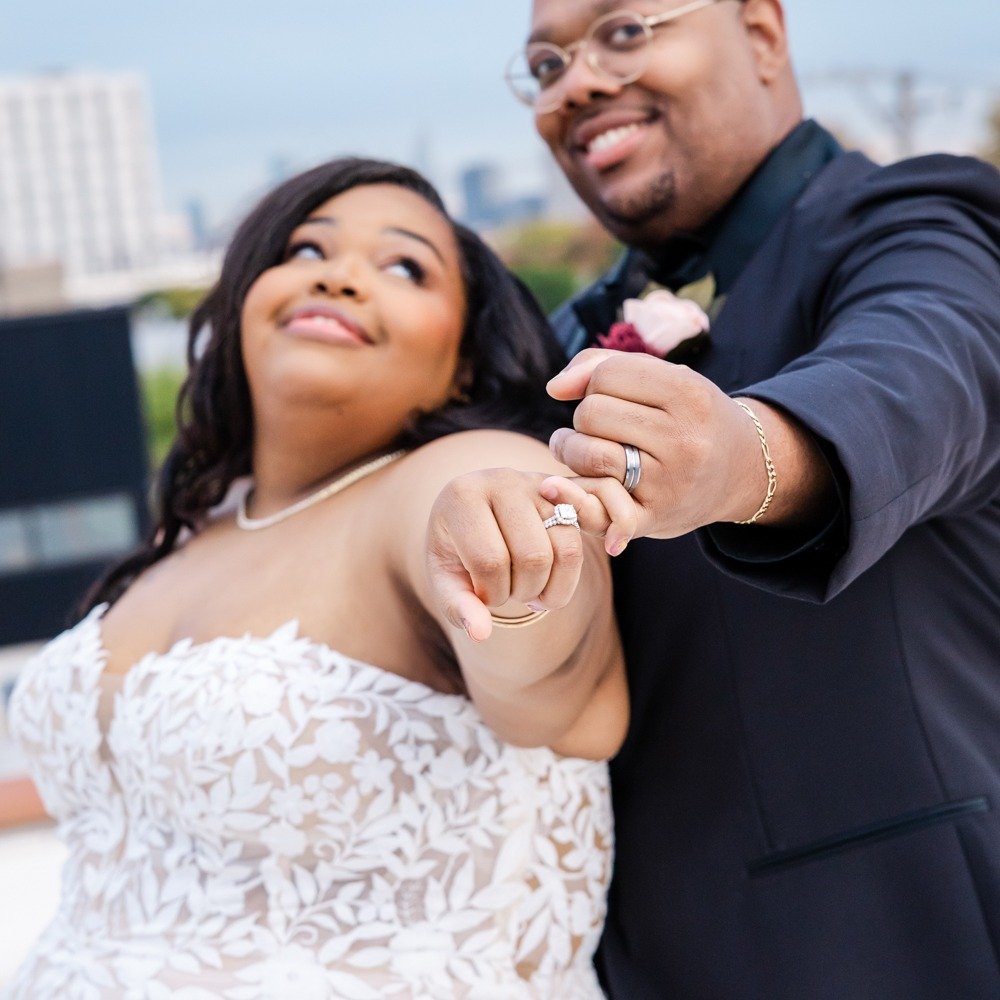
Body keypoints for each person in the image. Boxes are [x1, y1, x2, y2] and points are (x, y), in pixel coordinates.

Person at [4, 157, 628, 999]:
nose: (338, 276)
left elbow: (556, 691)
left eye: (405, 266)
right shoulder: (193, 526)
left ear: (466, 364)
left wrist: (516, 574)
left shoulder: (461, 473)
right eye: (304, 250)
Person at [493, 1, 1000, 997]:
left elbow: (920, 374)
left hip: (897, 943)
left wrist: (737, 459)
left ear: (762, 33)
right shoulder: (565, 337)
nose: (578, 82)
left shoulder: (919, 224)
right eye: (545, 63)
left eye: (625, 31)